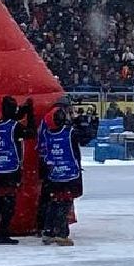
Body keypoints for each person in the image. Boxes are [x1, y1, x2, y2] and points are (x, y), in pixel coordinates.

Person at [37, 96, 88, 246]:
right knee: (64, 203)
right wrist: (82, 122)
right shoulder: (69, 132)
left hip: (53, 172)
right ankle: (61, 233)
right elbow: (85, 137)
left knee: (53, 202)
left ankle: (48, 231)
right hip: (68, 173)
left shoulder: (49, 133)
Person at [0, 95, 34, 244]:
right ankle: (3, 232)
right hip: (10, 169)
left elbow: (10, 118)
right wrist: (30, 112)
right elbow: (31, 133)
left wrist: (22, 111)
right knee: (8, 204)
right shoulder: (14, 127)